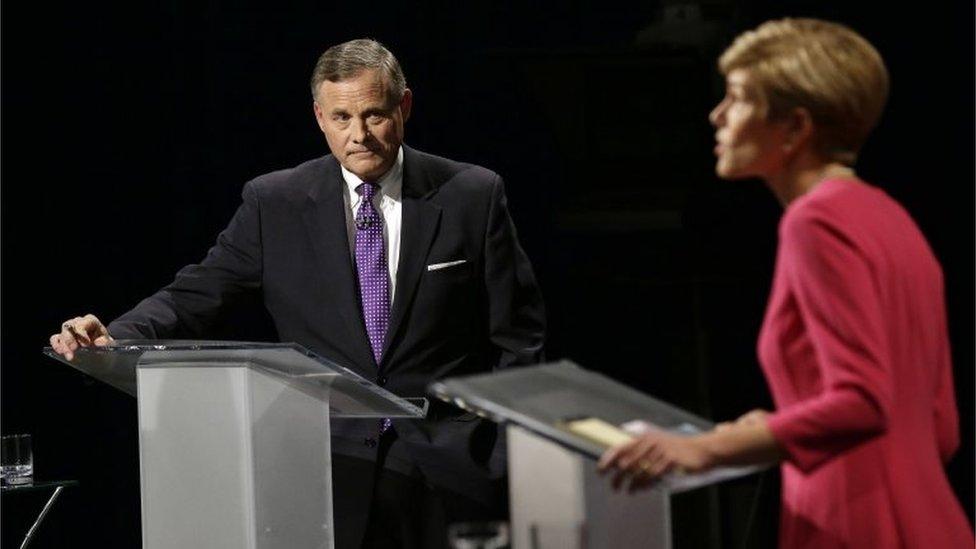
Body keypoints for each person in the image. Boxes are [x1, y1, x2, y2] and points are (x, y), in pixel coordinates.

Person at [49, 38, 546, 549]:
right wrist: (115, 335)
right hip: (325, 474)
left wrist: (503, 454)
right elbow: (194, 294)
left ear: (405, 107)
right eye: (342, 117)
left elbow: (519, 341)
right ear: (319, 117)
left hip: (452, 476)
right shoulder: (275, 203)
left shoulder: (472, 193)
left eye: (374, 115)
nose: (359, 135)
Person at [598, 18, 973, 548]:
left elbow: (863, 400)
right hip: (932, 519)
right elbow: (942, 427)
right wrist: (774, 428)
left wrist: (701, 450)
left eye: (737, 99)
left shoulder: (814, 222)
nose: (718, 116)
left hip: (855, 525)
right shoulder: (891, 218)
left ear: (794, 128)